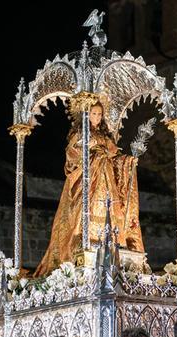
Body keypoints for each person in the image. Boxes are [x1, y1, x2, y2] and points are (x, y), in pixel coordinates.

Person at [35, 97, 144, 276]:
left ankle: (111, 240)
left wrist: (128, 161)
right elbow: (71, 157)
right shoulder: (80, 134)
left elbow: (114, 156)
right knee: (84, 210)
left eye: (99, 114)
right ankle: (85, 242)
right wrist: (87, 148)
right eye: (93, 113)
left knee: (109, 206)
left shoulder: (104, 136)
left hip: (106, 176)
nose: (97, 117)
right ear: (86, 115)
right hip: (88, 178)